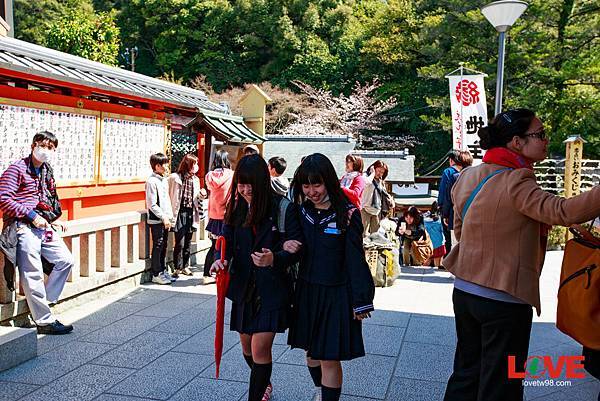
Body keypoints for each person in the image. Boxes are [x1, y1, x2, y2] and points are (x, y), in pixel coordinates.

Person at [443, 108, 600, 401]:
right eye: (539, 134)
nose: (545, 139)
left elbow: (460, 229)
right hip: (503, 298)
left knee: (466, 373)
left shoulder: (468, 175)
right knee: (502, 383)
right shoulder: (518, 181)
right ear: (517, 142)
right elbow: (561, 211)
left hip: (464, 290)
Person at [210, 154, 302, 401]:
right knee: (246, 347)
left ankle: (257, 394)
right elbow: (224, 241)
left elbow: (294, 248)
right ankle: (264, 382)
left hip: (271, 289)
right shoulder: (237, 206)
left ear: (263, 181)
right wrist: (220, 260)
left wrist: (275, 257)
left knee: (260, 349)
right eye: (241, 183)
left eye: (251, 184)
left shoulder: (283, 208)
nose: (246, 189)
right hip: (244, 288)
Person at [287, 153, 374, 401]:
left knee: (328, 356)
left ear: (329, 182)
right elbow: (291, 249)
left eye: (317, 184)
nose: (312, 191)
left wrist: (361, 299)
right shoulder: (300, 211)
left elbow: (355, 259)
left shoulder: (347, 214)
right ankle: (320, 389)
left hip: (337, 292)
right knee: (311, 353)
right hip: (307, 290)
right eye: (306, 185)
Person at [0, 131, 74, 334]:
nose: (46, 150)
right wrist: (31, 215)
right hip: (21, 226)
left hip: (43, 225)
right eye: (43, 145)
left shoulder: (45, 171)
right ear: (34, 145)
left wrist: (52, 220)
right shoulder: (17, 169)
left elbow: (47, 199)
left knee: (65, 260)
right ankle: (44, 321)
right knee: (32, 272)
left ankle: (43, 302)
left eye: (51, 148)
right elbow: (4, 198)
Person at [168, 153, 205, 277]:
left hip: (191, 212)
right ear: (188, 164)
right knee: (180, 242)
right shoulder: (175, 177)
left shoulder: (195, 179)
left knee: (188, 241)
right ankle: (177, 267)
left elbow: (197, 198)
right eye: (195, 164)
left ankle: (185, 266)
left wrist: (202, 195)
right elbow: (168, 194)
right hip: (179, 212)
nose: (197, 167)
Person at [203, 150, 234, 284]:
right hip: (226, 214)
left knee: (214, 245)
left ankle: (206, 273)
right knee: (226, 245)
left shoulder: (209, 176)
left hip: (213, 215)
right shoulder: (232, 175)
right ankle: (219, 271)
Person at [146, 153, 175, 285]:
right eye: (164, 164)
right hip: (157, 219)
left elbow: (166, 200)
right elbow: (152, 204)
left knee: (163, 245)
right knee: (158, 245)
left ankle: (163, 270)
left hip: (166, 219)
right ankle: (156, 273)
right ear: (157, 166)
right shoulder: (151, 181)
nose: (167, 166)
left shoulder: (163, 179)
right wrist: (163, 217)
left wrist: (169, 216)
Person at [438, 150, 473, 250]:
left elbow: (445, 194)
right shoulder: (476, 174)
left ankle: (450, 261)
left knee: (451, 239)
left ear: (451, 160)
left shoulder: (449, 173)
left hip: (453, 212)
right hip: (471, 211)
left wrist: (443, 211)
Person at [361, 160, 389, 236]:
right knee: (363, 234)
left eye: (382, 172)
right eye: (378, 171)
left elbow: (384, 194)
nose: (380, 174)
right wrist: (372, 173)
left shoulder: (381, 181)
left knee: (376, 235)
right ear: (374, 168)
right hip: (365, 209)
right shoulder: (366, 176)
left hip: (376, 211)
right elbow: (366, 183)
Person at [424, 202, 446, 268]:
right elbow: (443, 230)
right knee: (439, 259)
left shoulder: (426, 221)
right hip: (440, 242)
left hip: (430, 243)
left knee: (431, 258)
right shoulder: (439, 221)